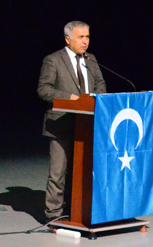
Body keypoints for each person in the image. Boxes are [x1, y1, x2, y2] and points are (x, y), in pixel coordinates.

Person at [37, 20, 107, 223]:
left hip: (87, 124)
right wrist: (71, 98)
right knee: (58, 172)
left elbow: (100, 83)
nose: (85, 41)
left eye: (87, 37)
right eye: (81, 37)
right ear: (68, 39)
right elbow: (44, 89)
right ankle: (54, 215)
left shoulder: (91, 59)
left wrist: (96, 98)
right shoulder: (53, 60)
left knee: (83, 170)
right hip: (61, 124)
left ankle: (78, 210)